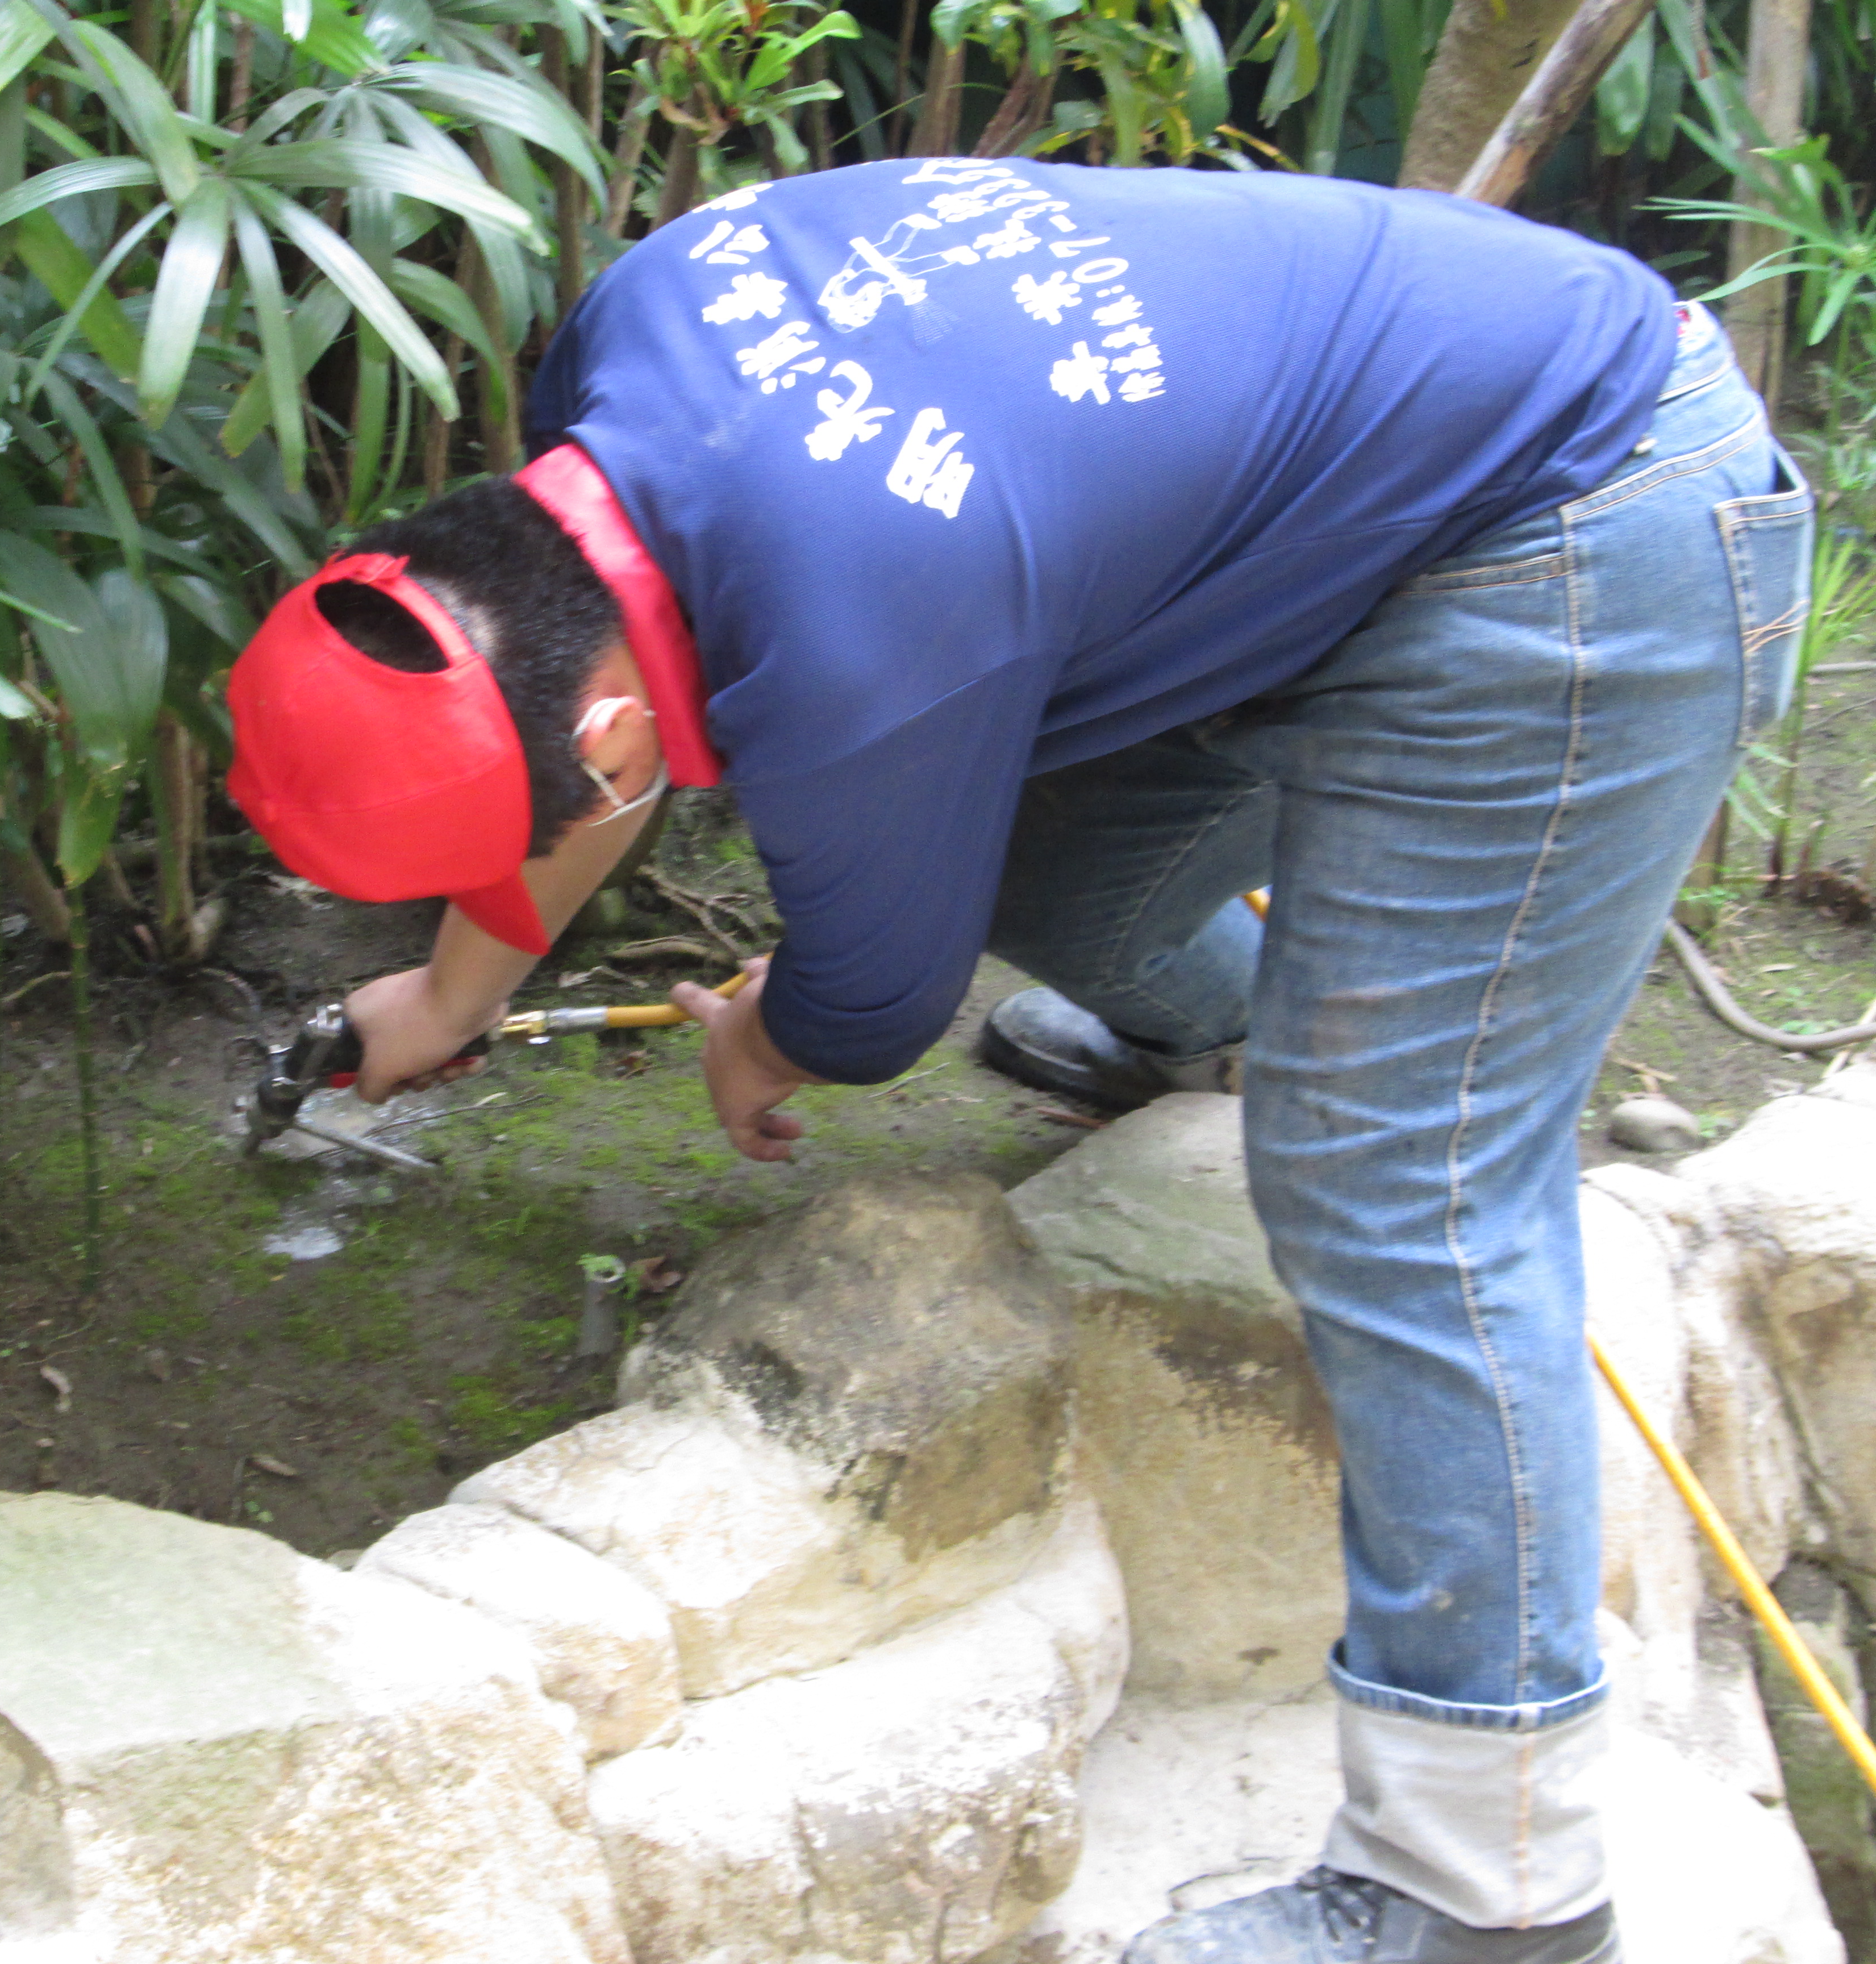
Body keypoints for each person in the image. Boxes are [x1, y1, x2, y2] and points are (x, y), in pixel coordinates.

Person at [223, 156, 1814, 1962]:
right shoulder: (622, 352)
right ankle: (1217, 1027)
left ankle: (1492, 1885)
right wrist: (448, 998)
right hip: (1382, 474)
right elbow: (593, 727)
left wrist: (761, 1034)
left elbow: (871, 1009)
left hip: (1584, 526)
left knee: (1402, 1184)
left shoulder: (856, 645)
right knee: (1053, 868)